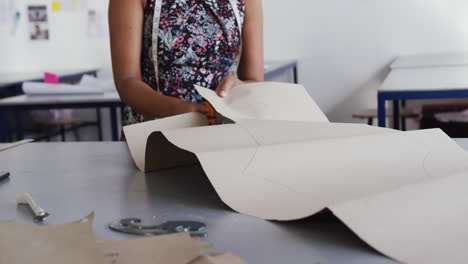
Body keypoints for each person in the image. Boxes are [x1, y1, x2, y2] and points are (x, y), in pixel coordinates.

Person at [109, 0, 264, 125]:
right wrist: (177, 110)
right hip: (154, 133)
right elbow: (126, 82)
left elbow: (255, 82)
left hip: (222, 130)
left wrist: (238, 88)